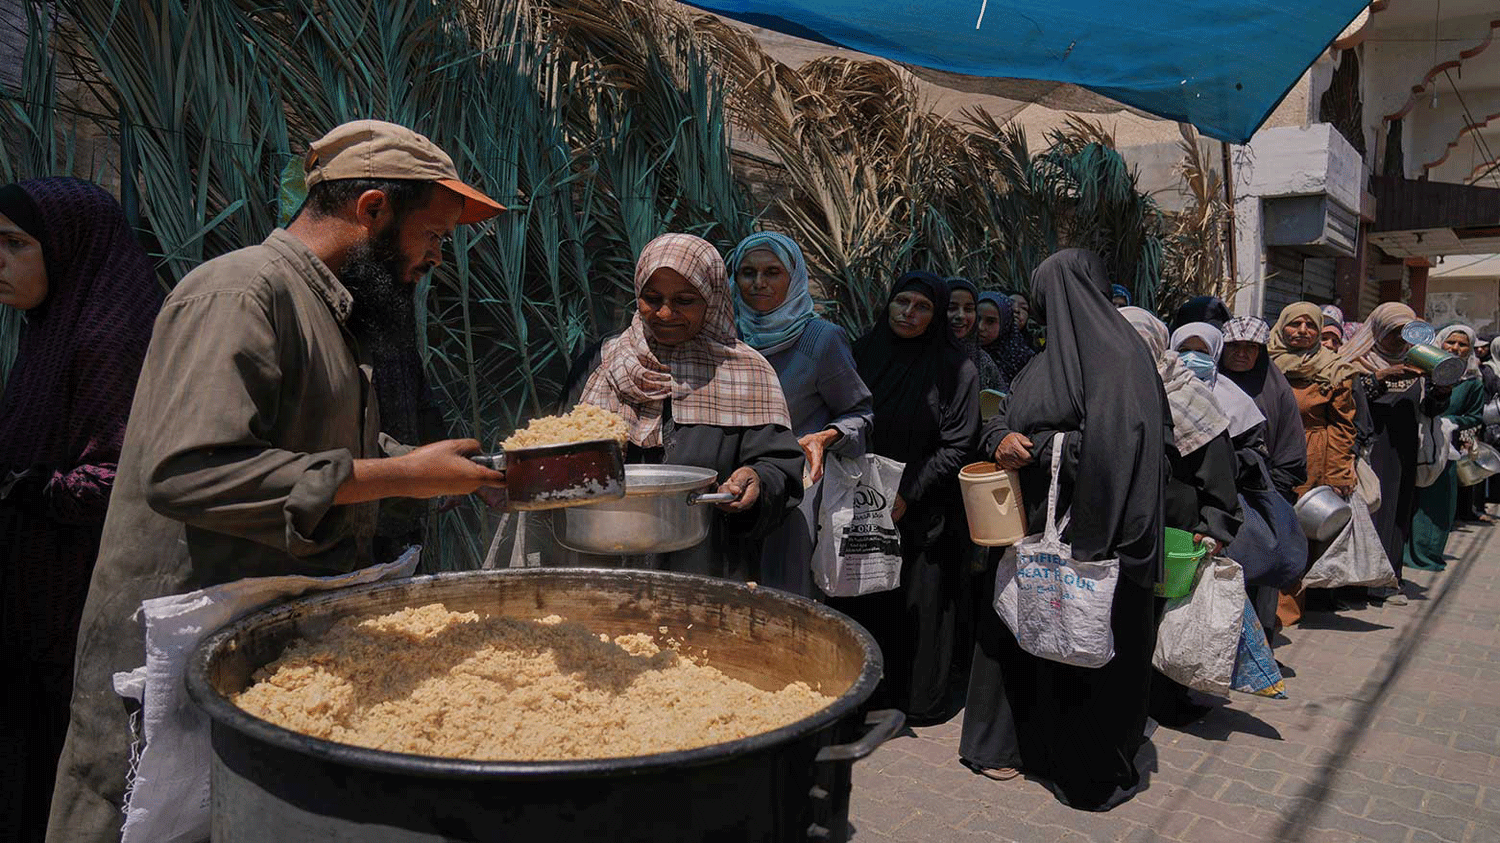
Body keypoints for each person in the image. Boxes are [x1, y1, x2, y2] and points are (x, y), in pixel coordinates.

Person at [46, 120, 510, 843]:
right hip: (171, 645)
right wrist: (400, 472)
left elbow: (322, 452)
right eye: (435, 235)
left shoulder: (328, 309)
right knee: (128, 819)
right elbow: (189, 472)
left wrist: (430, 476)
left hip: (244, 643)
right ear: (373, 209)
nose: (435, 258)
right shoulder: (240, 292)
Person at [960, 251, 1166, 810]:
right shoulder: (1043, 362)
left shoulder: (1122, 362)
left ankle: (1084, 769)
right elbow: (1005, 414)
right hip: (1036, 531)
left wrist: (1045, 447)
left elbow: (1121, 451)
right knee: (1023, 635)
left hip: (1100, 536)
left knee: (1088, 646)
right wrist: (1000, 436)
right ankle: (1009, 747)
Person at [0, 179, 164, 843]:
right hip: (34, 597)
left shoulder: (107, 336)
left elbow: (120, 478)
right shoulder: (51, 324)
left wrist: (27, 485)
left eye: (15, 244)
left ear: (66, 248)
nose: (0, 262)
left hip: (79, 608)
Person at [568, 233, 805, 581]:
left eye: (684, 300)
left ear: (712, 298)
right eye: (652, 298)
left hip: (706, 565)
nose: (665, 313)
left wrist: (756, 480)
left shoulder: (747, 372)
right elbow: (558, 448)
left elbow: (778, 467)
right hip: (605, 563)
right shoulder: (601, 364)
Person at [830, 272, 978, 721]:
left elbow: (959, 443)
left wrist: (909, 492)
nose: (909, 314)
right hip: (862, 501)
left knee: (919, 603)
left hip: (921, 508)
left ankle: (917, 702)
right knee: (864, 598)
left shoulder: (956, 369)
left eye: (922, 307)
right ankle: (865, 695)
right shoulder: (862, 352)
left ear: (935, 317)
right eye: (902, 302)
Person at [724, 231, 872, 597]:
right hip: (729, 486)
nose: (758, 283)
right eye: (747, 272)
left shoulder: (821, 339)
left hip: (796, 493)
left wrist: (826, 436)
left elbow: (860, 414)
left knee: (788, 597)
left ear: (794, 277)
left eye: (772, 272)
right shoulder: (725, 336)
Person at [1120, 307, 1242, 728]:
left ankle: (1165, 699)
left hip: (1176, 527)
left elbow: (1219, 468)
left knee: (1166, 614)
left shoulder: (1188, 395)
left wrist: (1215, 526)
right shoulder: (1107, 388)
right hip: (1124, 526)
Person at [1338, 302, 1447, 604]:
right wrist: (1383, 376)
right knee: (1367, 513)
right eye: (1393, 333)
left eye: (1405, 333)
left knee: (1398, 513)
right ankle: (1355, 586)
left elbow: (1428, 410)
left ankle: (1387, 581)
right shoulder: (1354, 360)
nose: (1399, 340)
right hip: (1367, 450)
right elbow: (1345, 397)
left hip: (1403, 449)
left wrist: (1441, 390)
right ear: (1377, 331)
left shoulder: (1419, 362)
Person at [1267, 302, 1360, 625]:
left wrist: (1337, 471)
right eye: (1295, 324)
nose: (1302, 331)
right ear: (1282, 326)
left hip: (1310, 455)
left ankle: (1285, 612)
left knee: (1296, 534)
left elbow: (1343, 425)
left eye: (1310, 325)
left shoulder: (1334, 369)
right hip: (1266, 452)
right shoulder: (1262, 361)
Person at [1404, 325, 1485, 571]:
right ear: (1440, 343)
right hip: (1413, 442)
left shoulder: (1472, 381)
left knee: (1437, 505)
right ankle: (1403, 552)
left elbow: (1474, 417)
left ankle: (1427, 555)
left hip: (1444, 450)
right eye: (1451, 343)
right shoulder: (1421, 370)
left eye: (1463, 345)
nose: (1456, 348)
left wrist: (1452, 423)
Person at [1221, 316, 1308, 500]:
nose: (1241, 353)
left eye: (1250, 347)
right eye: (1234, 345)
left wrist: (1271, 491)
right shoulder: (1208, 382)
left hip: (1262, 492)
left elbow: (1291, 451)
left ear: (1260, 352)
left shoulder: (1277, 390)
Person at [946, 277, 1005, 392]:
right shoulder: (918, 355)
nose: (961, 316)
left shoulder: (982, 361)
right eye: (951, 308)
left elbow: (1000, 404)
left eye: (968, 309)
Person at [977, 292, 1035, 392]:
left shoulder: (1024, 360)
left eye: (990, 321)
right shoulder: (963, 353)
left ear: (1005, 323)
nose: (980, 327)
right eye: (977, 319)